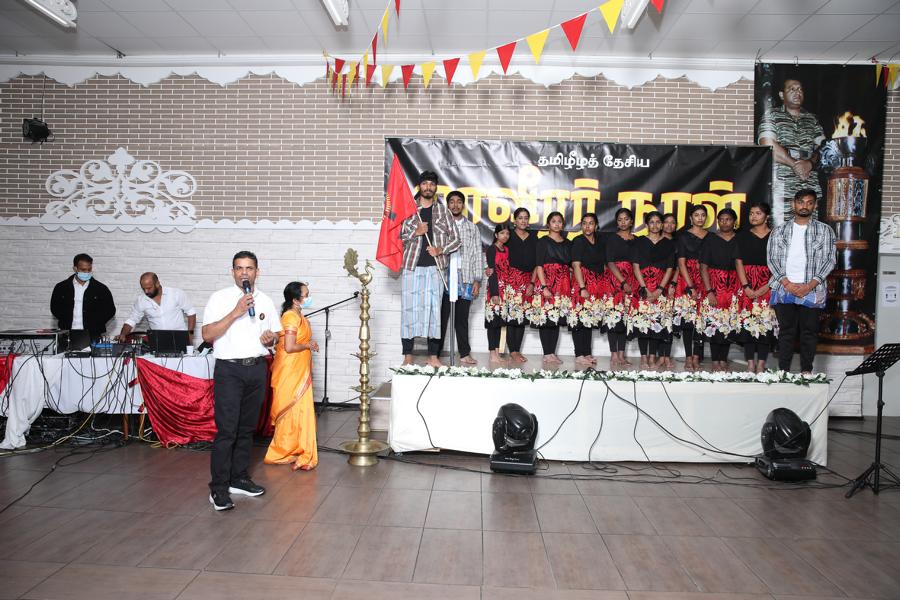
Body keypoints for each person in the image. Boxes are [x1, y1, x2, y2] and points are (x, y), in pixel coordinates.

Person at [201, 250, 280, 511]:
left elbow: (275, 335)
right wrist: (236, 312)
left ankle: (239, 479)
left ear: (258, 271)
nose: (244, 272)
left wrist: (271, 339)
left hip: (256, 369)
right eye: (239, 268)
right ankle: (218, 488)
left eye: (249, 268)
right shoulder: (219, 298)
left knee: (247, 429)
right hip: (230, 371)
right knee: (227, 431)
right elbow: (207, 334)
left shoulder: (265, 300)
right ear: (232, 271)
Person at [767, 189, 836, 374]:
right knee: (786, 332)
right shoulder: (779, 230)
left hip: (812, 289)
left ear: (815, 205)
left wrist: (809, 285)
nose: (804, 206)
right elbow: (771, 259)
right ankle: (783, 372)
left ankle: (806, 371)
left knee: (809, 332)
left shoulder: (825, 230)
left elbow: (830, 260)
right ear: (793, 204)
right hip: (784, 288)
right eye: (801, 202)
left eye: (809, 202)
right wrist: (787, 284)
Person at [399, 171, 461, 368]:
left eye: (432, 184)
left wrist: (440, 249)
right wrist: (416, 232)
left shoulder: (443, 211)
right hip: (412, 267)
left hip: (436, 268)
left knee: (434, 312)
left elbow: (457, 239)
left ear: (435, 188)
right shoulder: (409, 209)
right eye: (425, 184)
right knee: (409, 311)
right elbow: (399, 238)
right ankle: (408, 355)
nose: (428, 187)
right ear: (419, 186)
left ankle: (433, 356)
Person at [265, 281, 319, 471]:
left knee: (300, 410)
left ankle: (296, 449)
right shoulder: (290, 316)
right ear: (295, 300)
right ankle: (282, 451)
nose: (309, 298)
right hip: (290, 370)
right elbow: (289, 346)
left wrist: (308, 344)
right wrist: (308, 345)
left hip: (299, 369)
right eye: (306, 295)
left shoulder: (298, 315)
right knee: (291, 409)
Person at [758, 77, 825, 222]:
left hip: (809, 183)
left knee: (810, 227)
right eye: (792, 89)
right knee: (781, 227)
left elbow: (823, 148)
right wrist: (794, 164)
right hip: (783, 184)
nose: (797, 92)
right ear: (782, 95)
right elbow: (767, 144)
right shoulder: (772, 115)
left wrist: (810, 164)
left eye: (800, 89)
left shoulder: (812, 119)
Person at [440, 190, 485, 365]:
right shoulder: (441, 226)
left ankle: (464, 353)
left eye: (459, 202)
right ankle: (435, 354)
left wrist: (477, 280)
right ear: (448, 205)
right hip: (444, 277)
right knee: (441, 318)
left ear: (463, 205)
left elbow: (478, 254)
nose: (455, 205)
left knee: (462, 318)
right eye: (452, 201)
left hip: (465, 277)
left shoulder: (472, 228)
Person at [631, 212, 676, 371]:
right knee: (643, 324)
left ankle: (652, 356)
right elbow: (635, 266)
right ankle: (644, 357)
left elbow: (670, 268)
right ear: (646, 225)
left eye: (658, 222)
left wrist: (659, 289)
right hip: (642, 287)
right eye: (652, 222)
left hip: (660, 288)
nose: (655, 225)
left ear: (662, 224)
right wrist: (644, 288)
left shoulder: (668, 244)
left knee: (657, 324)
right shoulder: (639, 242)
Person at [736, 202, 776, 373]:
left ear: (767, 216)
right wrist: (746, 286)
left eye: (758, 213)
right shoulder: (742, 236)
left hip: (768, 283)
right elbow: (738, 262)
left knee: (765, 324)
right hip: (747, 283)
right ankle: (750, 363)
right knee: (748, 323)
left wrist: (767, 286)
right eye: (751, 213)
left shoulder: (775, 236)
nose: (753, 216)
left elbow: (779, 265)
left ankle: (761, 363)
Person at [700, 209, 740, 372]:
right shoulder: (710, 239)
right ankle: (715, 359)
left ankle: (723, 358)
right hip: (715, 285)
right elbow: (703, 267)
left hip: (734, 286)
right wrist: (709, 291)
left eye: (728, 219)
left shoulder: (740, 239)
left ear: (734, 222)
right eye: (721, 219)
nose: (724, 222)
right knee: (715, 323)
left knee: (728, 324)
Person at [532, 211, 572, 364]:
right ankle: (547, 353)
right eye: (553, 221)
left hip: (563, 285)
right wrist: (544, 286)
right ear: (548, 224)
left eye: (559, 221)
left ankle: (552, 353)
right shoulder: (543, 242)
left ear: (563, 224)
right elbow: (539, 266)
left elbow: (570, 264)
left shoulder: (568, 243)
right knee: (546, 319)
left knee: (555, 319)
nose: (556, 224)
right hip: (547, 282)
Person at [50, 253, 115, 342]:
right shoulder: (61, 287)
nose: (87, 272)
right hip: (67, 333)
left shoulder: (100, 288)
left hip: (93, 335)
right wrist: (66, 320)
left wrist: (96, 323)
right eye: (83, 270)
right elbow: (55, 308)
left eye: (89, 269)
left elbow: (110, 310)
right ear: (75, 269)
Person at [570, 213, 608, 366]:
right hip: (583, 282)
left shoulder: (600, 241)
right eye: (584, 223)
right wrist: (582, 287)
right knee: (579, 319)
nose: (587, 226)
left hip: (596, 284)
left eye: (591, 223)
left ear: (596, 226)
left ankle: (587, 353)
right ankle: (579, 354)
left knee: (588, 319)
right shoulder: (578, 241)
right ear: (581, 225)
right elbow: (576, 265)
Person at [675, 204, 709, 371]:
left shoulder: (711, 237)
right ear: (691, 218)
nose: (700, 218)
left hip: (706, 280)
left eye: (703, 215)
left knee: (701, 320)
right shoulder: (683, 236)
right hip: (687, 280)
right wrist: (690, 286)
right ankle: (688, 356)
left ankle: (697, 356)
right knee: (688, 322)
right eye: (696, 215)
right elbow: (681, 263)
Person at [603, 208, 638, 370]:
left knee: (625, 318)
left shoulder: (637, 240)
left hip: (632, 281)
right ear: (616, 222)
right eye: (620, 219)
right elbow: (610, 262)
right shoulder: (612, 238)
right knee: (613, 317)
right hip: (615, 280)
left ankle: (622, 354)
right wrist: (622, 282)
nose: (623, 222)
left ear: (631, 221)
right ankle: (614, 354)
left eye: (626, 219)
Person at [115, 273, 196, 342]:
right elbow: (132, 320)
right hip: (157, 340)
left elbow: (191, 312)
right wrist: (123, 334)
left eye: (149, 288)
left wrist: (190, 335)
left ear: (157, 283)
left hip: (179, 338)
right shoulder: (141, 301)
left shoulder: (176, 293)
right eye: (143, 289)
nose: (146, 291)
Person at [505, 207, 538, 363]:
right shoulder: (508, 236)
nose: (523, 221)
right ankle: (513, 351)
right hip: (511, 280)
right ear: (515, 221)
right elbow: (499, 255)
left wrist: (532, 283)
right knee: (512, 316)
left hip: (527, 281)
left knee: (522, 316)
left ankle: (517, 350)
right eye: (520, 218)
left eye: (526, 218)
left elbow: (538, 263)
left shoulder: (534, 238)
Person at [485, 223, 513, 364]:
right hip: (495, 289)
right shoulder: (491, 249)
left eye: (507, 233)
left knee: (499, 322)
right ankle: (492, 353)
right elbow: (491, 272)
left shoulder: (507, 249)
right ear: (496, 235)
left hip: (505, 290)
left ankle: (497, 352)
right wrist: (494, 293)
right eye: (502, 233)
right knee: (492, 322)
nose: (505, 236)